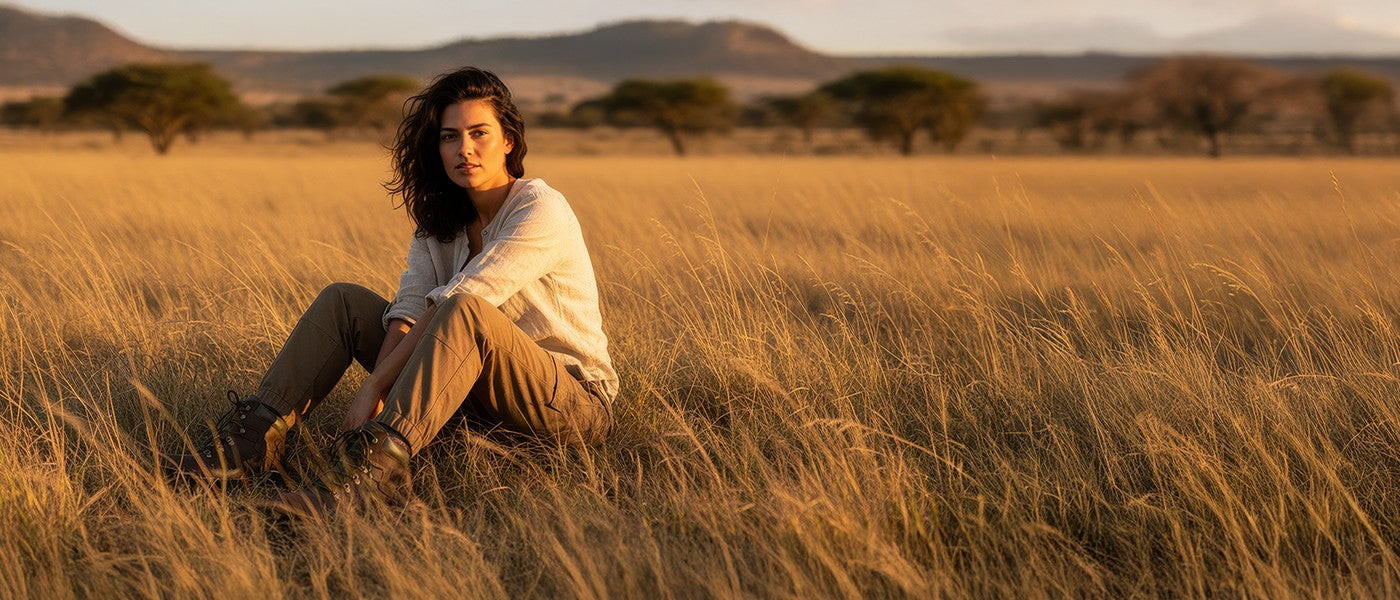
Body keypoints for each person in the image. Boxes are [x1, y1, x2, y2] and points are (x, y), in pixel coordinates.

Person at [162, 67, 617, 517]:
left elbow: (461, 302)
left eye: (479, 133)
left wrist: (375, 385)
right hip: (466, 399)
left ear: (509, 141)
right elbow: (412, 305)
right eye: (449, 136)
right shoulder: (440, 218)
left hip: (567, 406)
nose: (465, 149)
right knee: (345, 302)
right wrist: (380, 388)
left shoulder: (540, 208)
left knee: (464, 306)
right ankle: (249, 449)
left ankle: (369, 481)